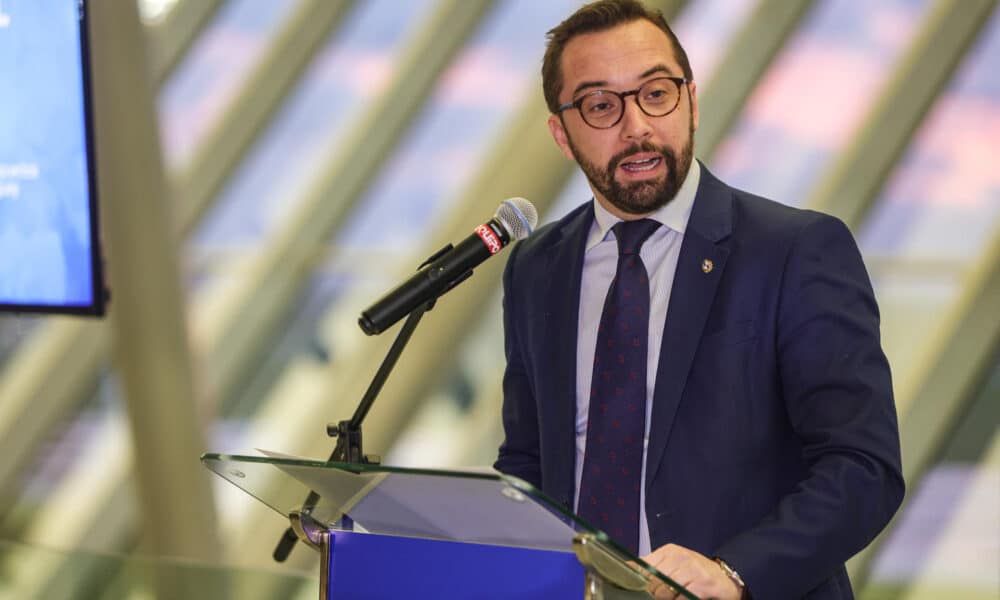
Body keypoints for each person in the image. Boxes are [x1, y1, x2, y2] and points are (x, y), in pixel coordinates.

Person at [493, 1, 905, 598]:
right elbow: (528, 462)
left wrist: (734, 571)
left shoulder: (795, 250)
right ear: (562, 133)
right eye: (601, 105)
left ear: (690, 98)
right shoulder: (537, 268)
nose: (636, 126)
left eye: (656, 93)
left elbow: (862, 467)